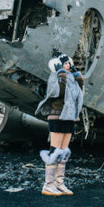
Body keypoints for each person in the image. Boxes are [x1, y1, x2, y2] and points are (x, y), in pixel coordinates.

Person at [35, 52, 84, 196]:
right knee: (55, 150)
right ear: (58, 65)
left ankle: (59, 183)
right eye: (64, 64)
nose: (67, 66)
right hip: (57, 116)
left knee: (63, 151)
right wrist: (61, 75)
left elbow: (79, 95)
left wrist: (78, 79)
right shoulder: (54, 77)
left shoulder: (71, 79)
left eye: (69, 64)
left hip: (69, 117)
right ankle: (48, 184)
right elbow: (57, 93)